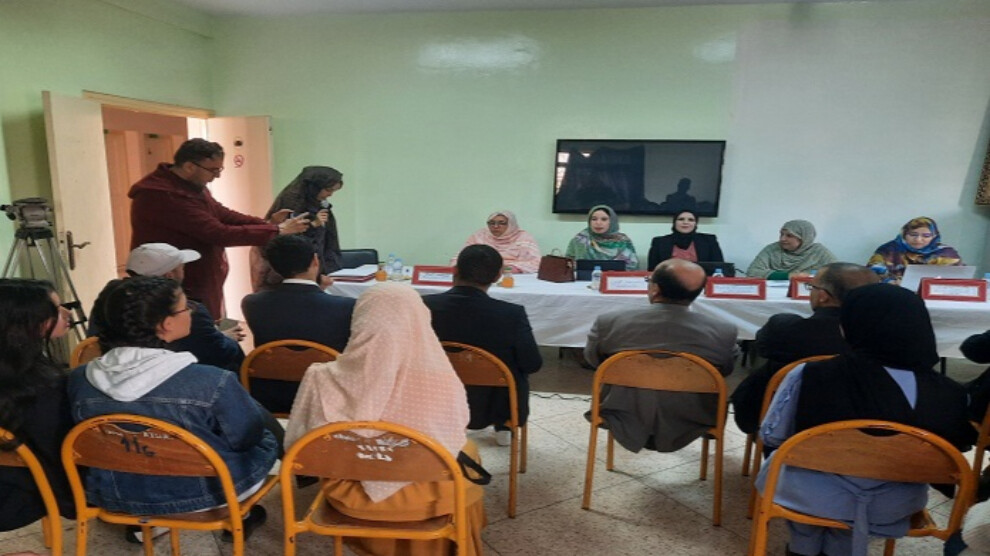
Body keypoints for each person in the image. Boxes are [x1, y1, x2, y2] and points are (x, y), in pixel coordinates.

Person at [756, 283, 975, 556]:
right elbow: (951, 454)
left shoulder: (809, 374)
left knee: (791, 463)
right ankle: (840, 545)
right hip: (892, 505)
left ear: (849, 326)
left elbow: (772, 435)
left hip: (809, 498)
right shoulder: (951, 393)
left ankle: (804, 544)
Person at [285, 283, 486, 556]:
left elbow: (300, 451)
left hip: (350, 497)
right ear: (420, 320)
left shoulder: (320, 377)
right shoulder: (443, 380)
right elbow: (453, 433)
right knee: (469, 452)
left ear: (360, 322)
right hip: (430, 498)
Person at [67, 277, 279, 527]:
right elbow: (245, 438)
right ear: (167, 324)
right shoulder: (213, 381)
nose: (191, 311)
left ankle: (149, 525)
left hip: (115, 494)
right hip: (206, 494)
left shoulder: (79, 379)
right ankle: (241, 516)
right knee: (266, 436)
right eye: (185, 306)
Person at [128, 138, 310, 319]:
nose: (217, 176)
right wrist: (277, 231)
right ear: (190, 166)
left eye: (219, 170)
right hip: (177, 278)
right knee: (188, 324)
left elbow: (222, 213)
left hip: (200, 273)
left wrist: (267, 224)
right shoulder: (162, 195)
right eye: (213, 170)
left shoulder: (192, 186)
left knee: (206, 323)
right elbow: (218, 233)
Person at [583, 259, 737, 452]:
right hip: (693, 417)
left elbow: (594, 361)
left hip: (620, 412)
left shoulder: (610, 322)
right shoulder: (723, 331)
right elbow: (725, 370)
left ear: (655, 289)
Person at [730, 263, 879, 434]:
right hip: (863, 430)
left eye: (812, 287)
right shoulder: (885, 339)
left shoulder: (785, 329)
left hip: (785, 426)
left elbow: (762, 347)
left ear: (823, 296)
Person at [424, 244, 543, 446]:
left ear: (455, 271)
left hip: (435, 398)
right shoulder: (511, 314)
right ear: (497, 276)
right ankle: (504, 425)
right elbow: (532, 364)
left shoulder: (422, 305)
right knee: (512, 369)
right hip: (493, 404)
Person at [241, 235, 356, 414]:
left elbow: (295, 311)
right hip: (325, 395)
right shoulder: (346, 307)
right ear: (315, 261)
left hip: (270, 394)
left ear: (274, 267)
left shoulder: (252, 303)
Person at [89, 243, 246, 373]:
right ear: (170, 276)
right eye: (182, 268)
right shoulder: (189, 312)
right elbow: (220, 352)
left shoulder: (108, 299)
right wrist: (225, 339)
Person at [0, 279, 75, 532]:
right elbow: (57, 454)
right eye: (55, 309)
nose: (67, 313)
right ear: (28, 322)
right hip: (16, 499)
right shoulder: (43, 387)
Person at [252, 166, 345, 290]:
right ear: (314, 187)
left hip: (311, 268)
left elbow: (327, 239)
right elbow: (289, 243)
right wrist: (313, 225)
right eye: (328, 190)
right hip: (290, 272)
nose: (330, 194)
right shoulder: (291, 204)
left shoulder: (318, 203)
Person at [866, 216, 963, 283]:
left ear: (934, 237)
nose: (918, 240)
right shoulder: (888, 250)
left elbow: (960, 278)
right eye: (913, 235)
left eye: (926, 236)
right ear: (904, 234)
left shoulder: (947, 254)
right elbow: (870, 274)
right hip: (895, 294)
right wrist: (890, 282)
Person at [455, 210, 542, 274]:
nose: (495, 226)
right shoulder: (479, 236)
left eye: (501, 223)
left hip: (514, 276)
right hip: (481, 275)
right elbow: (461, 257)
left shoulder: (524, 238)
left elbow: (537, 263)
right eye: (492, 223)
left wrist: (510, 268)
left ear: (511, 224)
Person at [747, 220, 836, 279]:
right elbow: (752, 272)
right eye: (781, 234)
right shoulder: (772, 249)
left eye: (789, 236)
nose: (782, 239)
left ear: (803, 238)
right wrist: (790, 276)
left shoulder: (819, 252)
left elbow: (837, 273)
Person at [565, 205, 639, 270]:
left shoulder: (623, 241)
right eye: (594, 219)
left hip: (616, 279)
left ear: (612, 222)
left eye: (604, 219)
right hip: (582, 279)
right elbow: (568, 264)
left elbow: (632, 265)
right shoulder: (580, 239)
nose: (598, 223)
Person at [647, 209, 724, 269]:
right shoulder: (659, 242)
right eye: (681, 219)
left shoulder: (709, 240)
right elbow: (652, 270)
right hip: (668, 281)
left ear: (695, 224)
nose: (685, 222)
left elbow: (719, 267)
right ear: (674, 223)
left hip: (701, 281)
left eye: (691, 220)